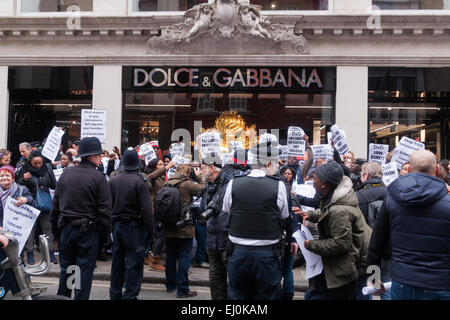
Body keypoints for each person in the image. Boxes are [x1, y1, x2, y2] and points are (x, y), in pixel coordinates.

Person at [367, 150, 450, 300]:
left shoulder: (392, 199)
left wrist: (373, 277)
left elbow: (376, 244)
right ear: (437, 170)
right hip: (440, 284)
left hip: (402, 283)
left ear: (409, 170)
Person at [294, 161, 372, 300]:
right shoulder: (335, 198)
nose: (312, 182)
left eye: (315, 179)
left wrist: (310, 245)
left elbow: (341, 243)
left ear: (324, 185)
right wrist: (311, 215)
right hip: (352, 260)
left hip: (353, 263)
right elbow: (326, 212)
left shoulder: (339, 210)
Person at [222, 141, 290, 300]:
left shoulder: (234, 182)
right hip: (266, 255)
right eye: (275, 164)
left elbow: (227, 210)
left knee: (238, 296)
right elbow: (284, 215)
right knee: (267, 297)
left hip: (238, 253)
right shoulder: (278, 186)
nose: (277, 168)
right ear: (267, 163)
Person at [50, 137, 112, 300]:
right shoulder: (99, 178)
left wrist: (56, 233)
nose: (100, 158)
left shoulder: (66, 174)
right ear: (93, 156)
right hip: (87, 232)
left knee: (68, 270)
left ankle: (65, 298)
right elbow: (105, 212)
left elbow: (55, 206)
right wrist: (104, 239)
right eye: (99, 155)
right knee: (83, 271)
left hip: (67, 230)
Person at [108, 148, 154, 300]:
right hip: (133, 226)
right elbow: (147, 210)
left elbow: (108, 205)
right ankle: (130, 295)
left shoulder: (113, 180)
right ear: (137, 163)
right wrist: (151, 230)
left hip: (117, 226)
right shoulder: (140, 181)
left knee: (117, 262)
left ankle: (114, 294)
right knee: (134, 263)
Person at [198, 152, 242, 300]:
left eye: (202, 167)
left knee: (234, 283)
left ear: (211, 168)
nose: (199, 170)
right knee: (215, 282)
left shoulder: (230, 185)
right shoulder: (208, 186)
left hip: (227, 241)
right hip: (212, 241)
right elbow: (205, 209)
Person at [164, 163, 204, 298]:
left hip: (169, 226)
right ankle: (182, 289)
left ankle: (170, 285)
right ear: (188, 173)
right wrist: (199, 177)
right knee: (184, 258)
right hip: (185, 227)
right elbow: (204, 189)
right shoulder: (187, 184)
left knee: (170, 257)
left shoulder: (167, 183)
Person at [15, 150, 57, 264]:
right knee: (30, 230)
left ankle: (51, 253)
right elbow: (18, 184)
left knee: (47, 228)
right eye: (35, 163)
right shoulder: (24, 169)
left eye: (40, 163)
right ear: (30, 162)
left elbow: (54, 185)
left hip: (45, 204)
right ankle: (29, 254)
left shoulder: (48, 169)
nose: (38, 165)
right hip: (30, 204)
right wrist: (23, 179)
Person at [146, 157, 175, 271]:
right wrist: (166, 167)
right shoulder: (152, 178)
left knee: (160, 235)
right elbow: (151, 176)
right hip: (155, 210)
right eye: (160, 165)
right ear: (154, 167)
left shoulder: (164, 177)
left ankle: (152, 257)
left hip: (162, 210)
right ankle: (154, 260)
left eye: (163, 164)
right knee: (160, 235)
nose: (162, 166)